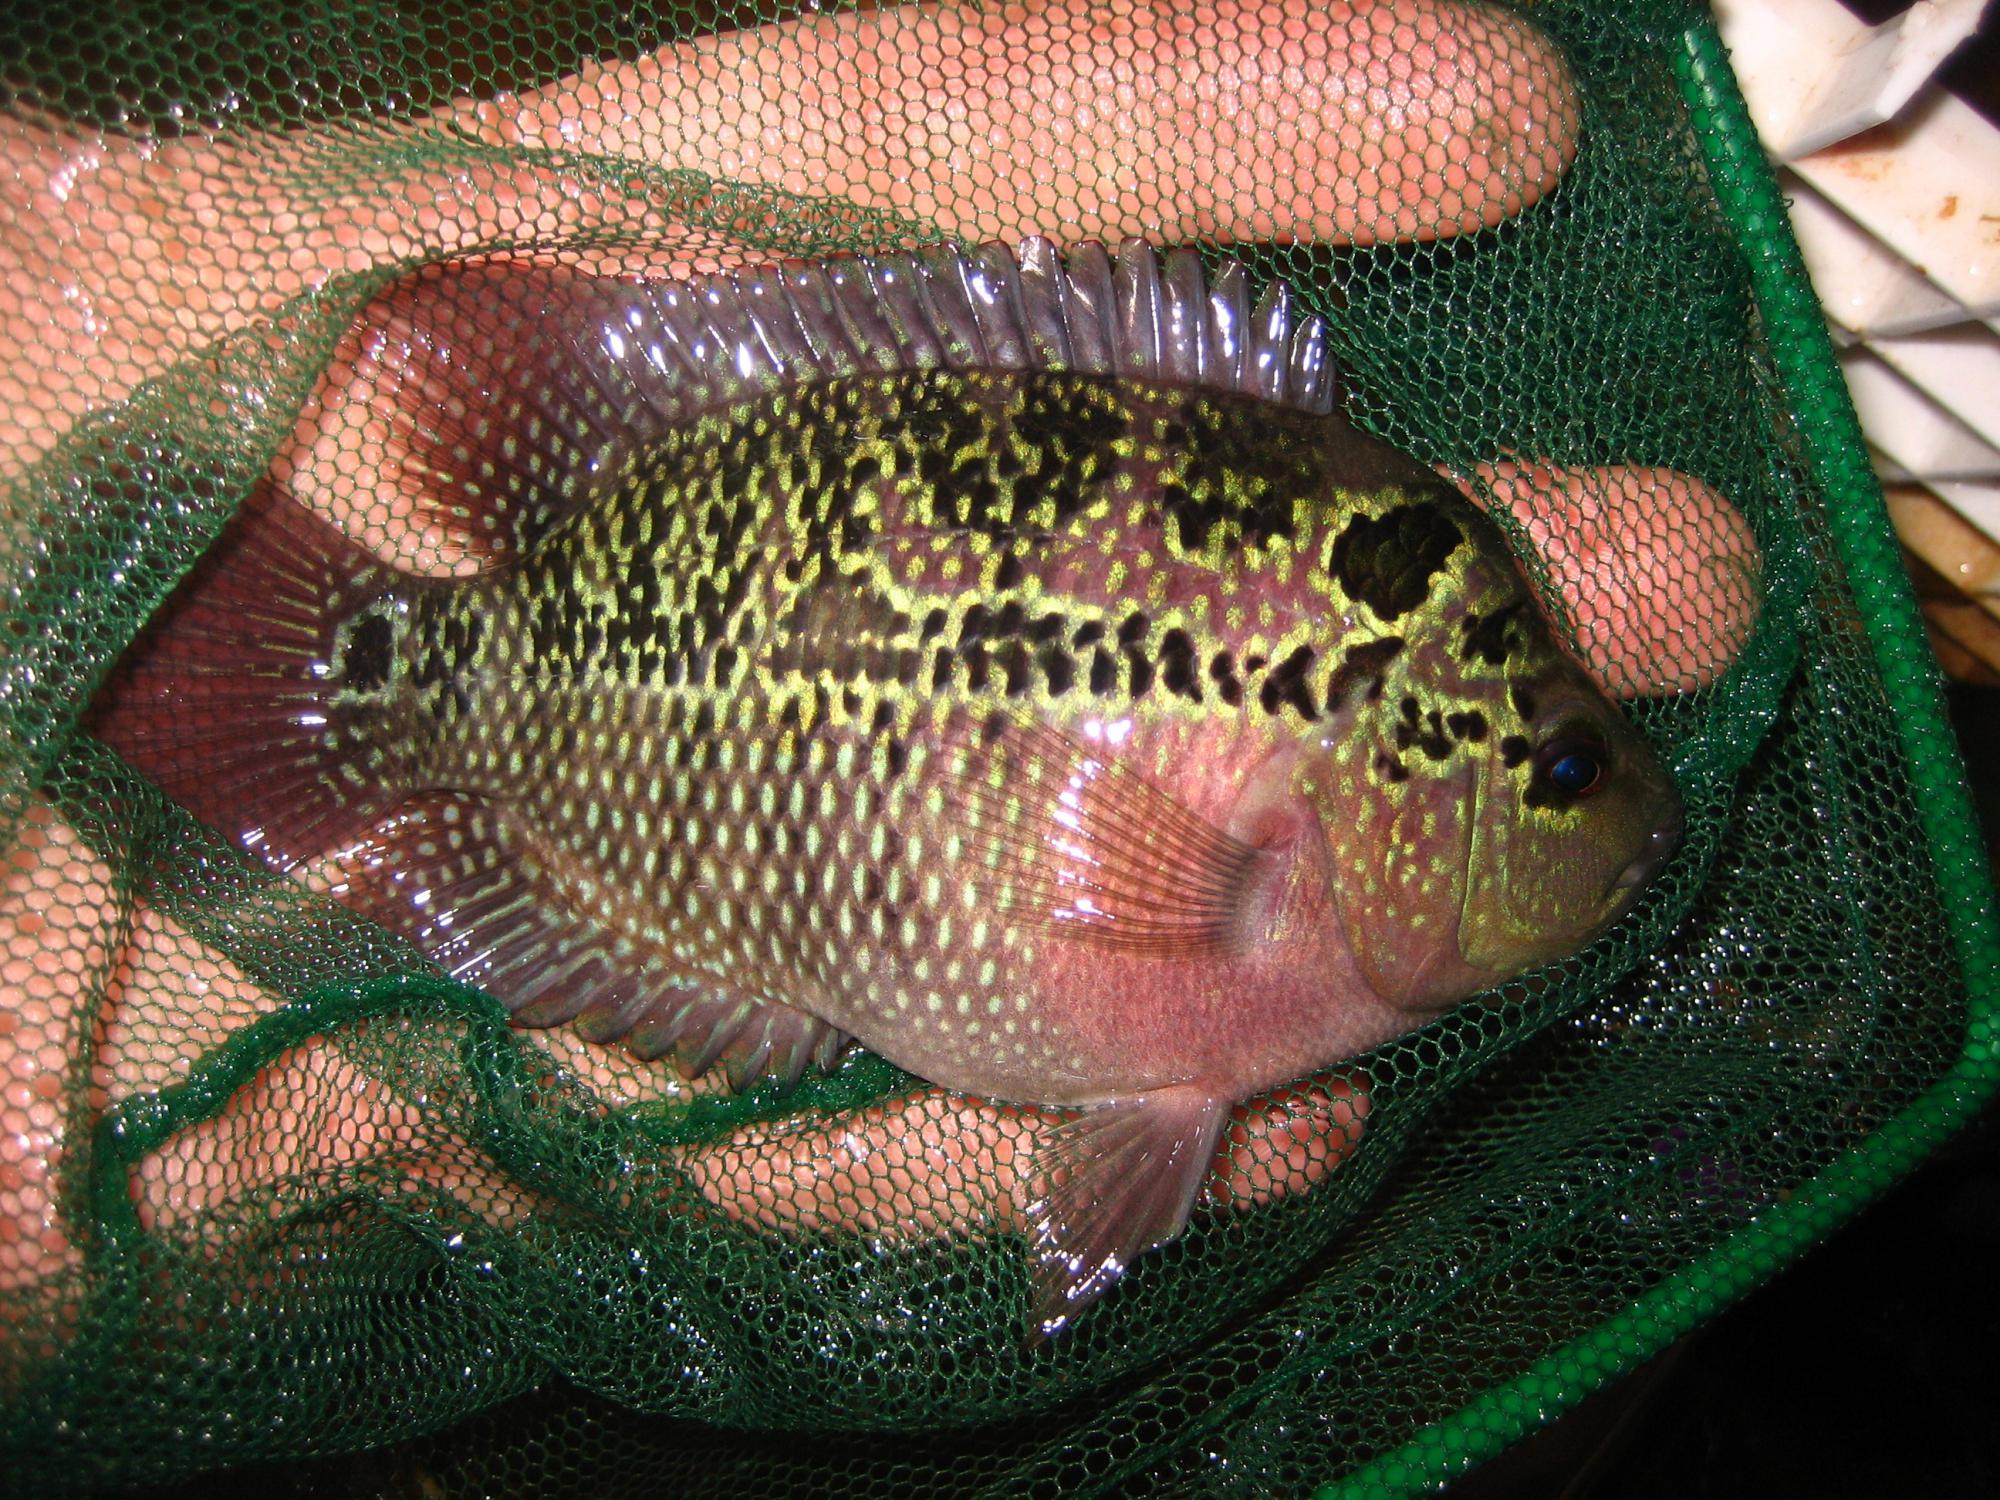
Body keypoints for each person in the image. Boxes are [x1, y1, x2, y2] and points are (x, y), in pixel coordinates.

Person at [0, 0, 1756, 1331]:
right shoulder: (1287, 841)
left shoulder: (1347, 774)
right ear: (1407, 755)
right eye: (1560, 767)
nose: (1612, 812)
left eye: (1571, 763)